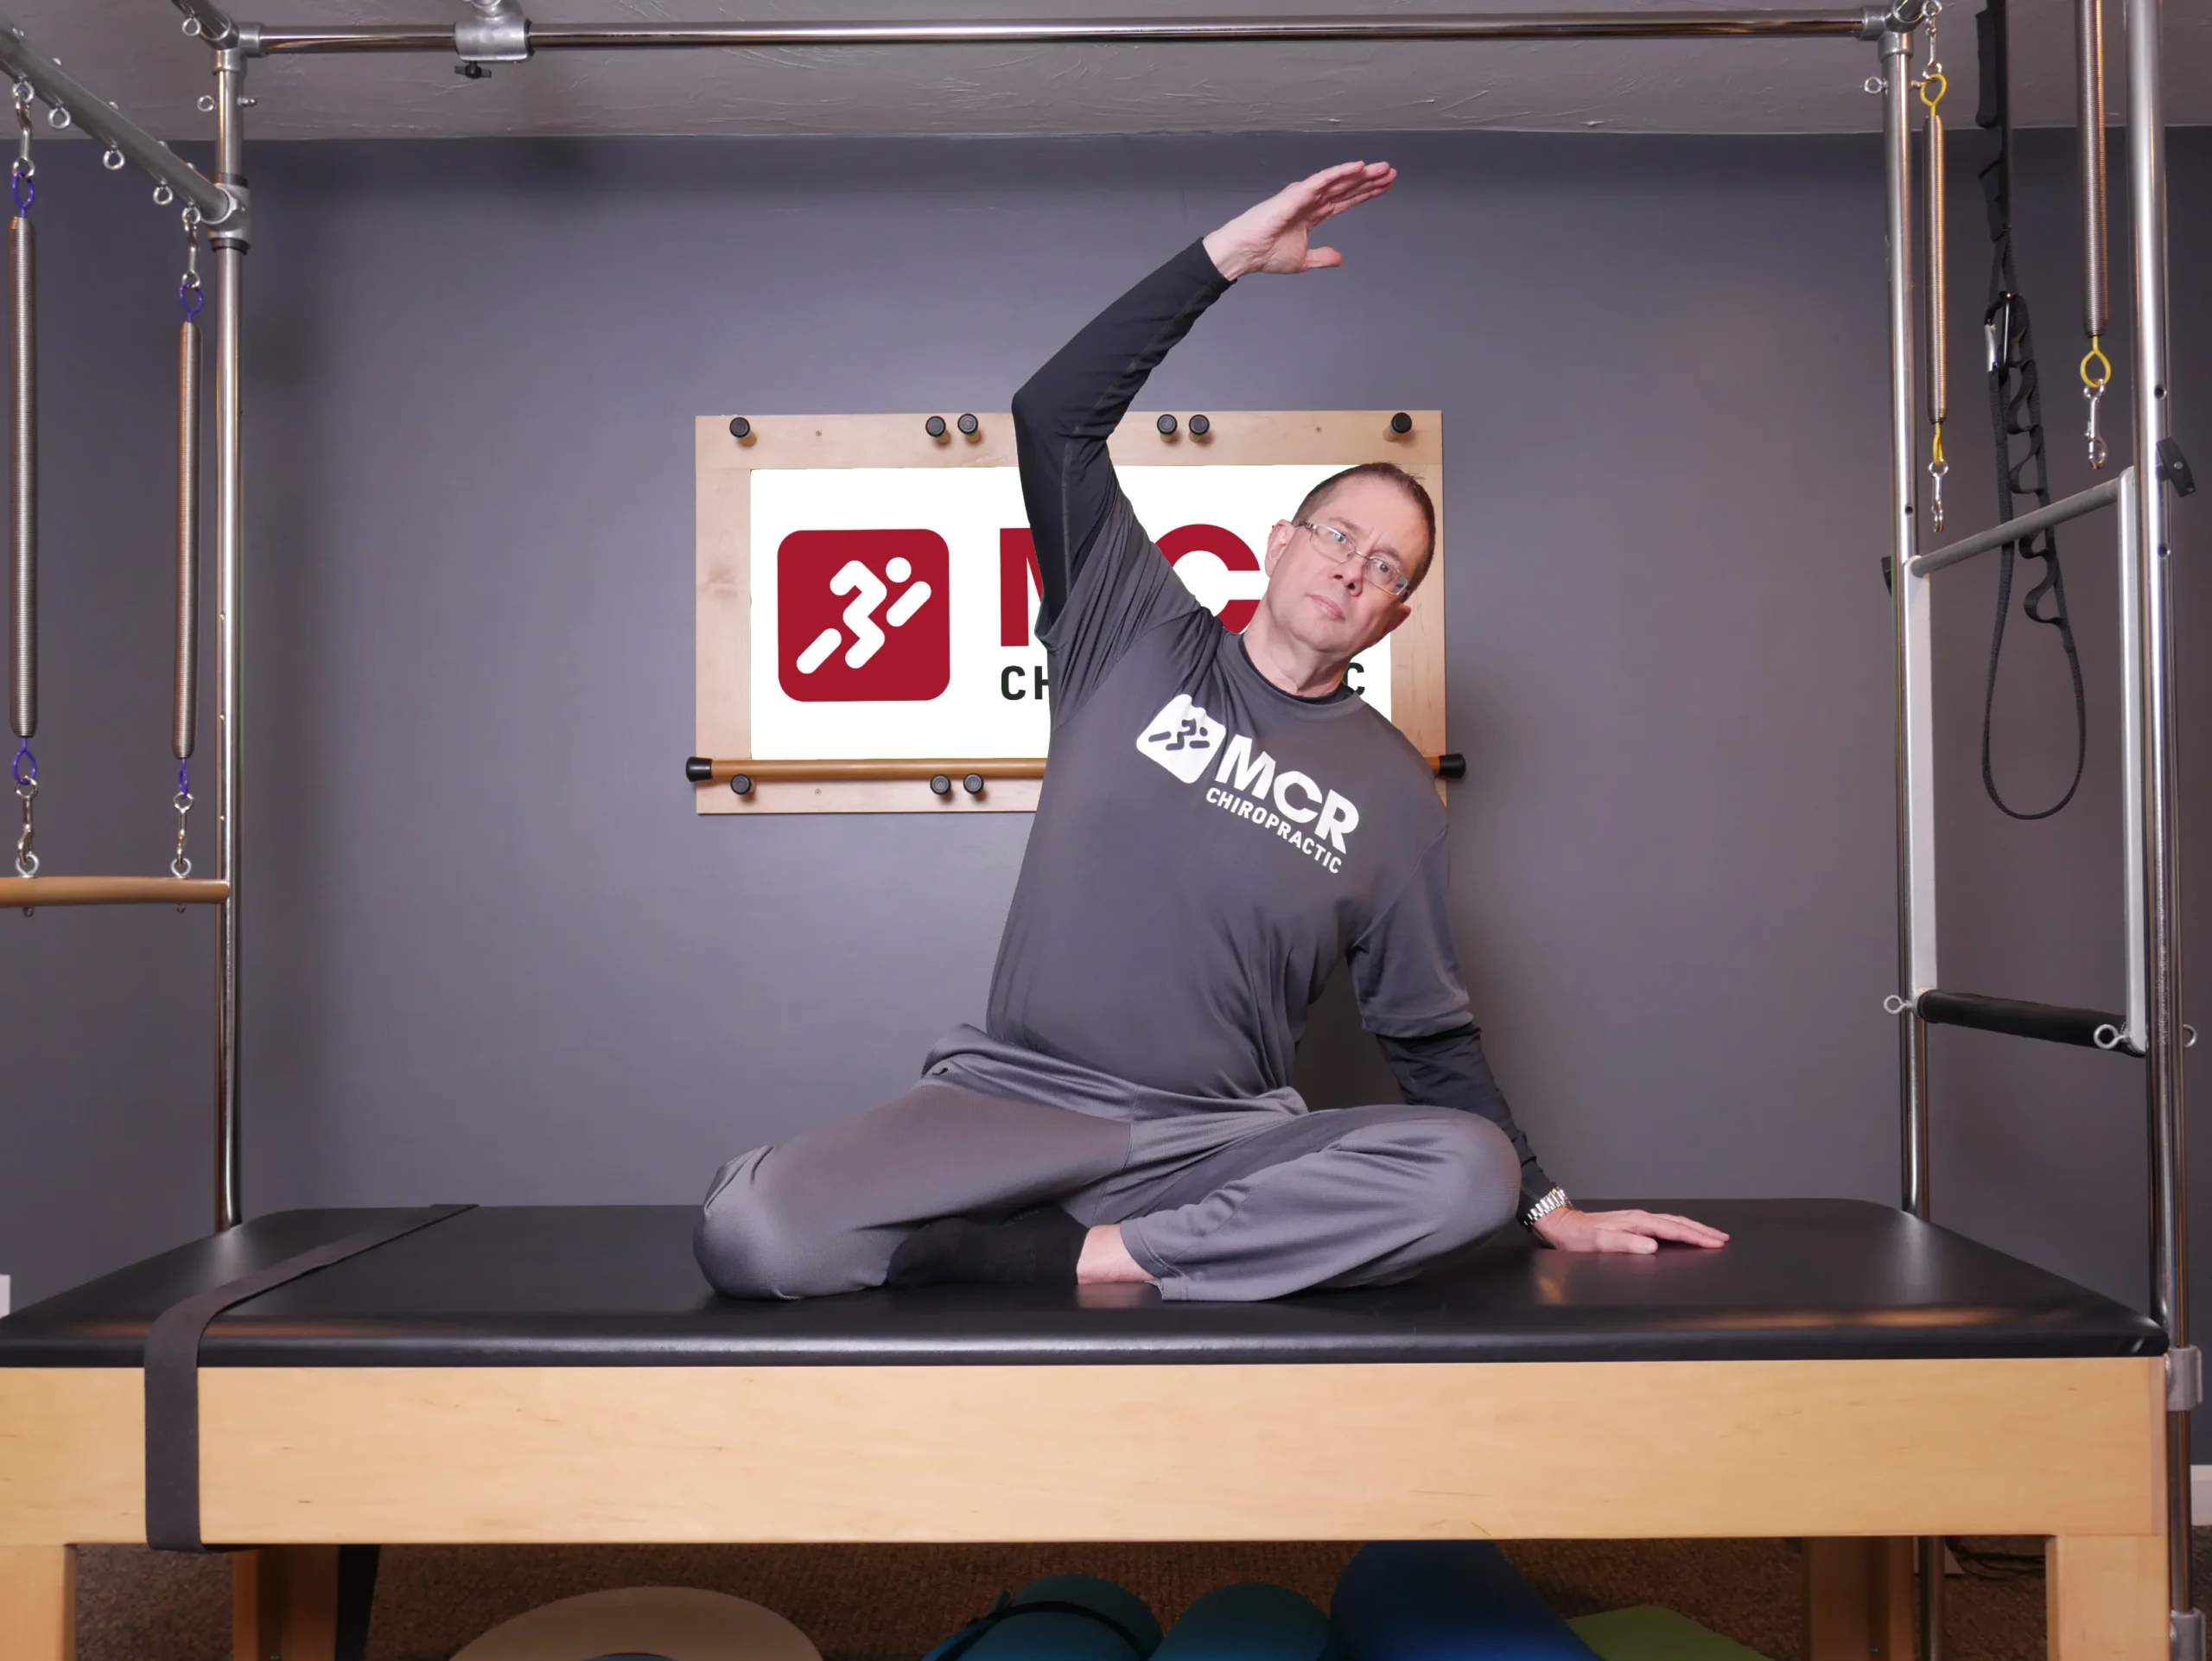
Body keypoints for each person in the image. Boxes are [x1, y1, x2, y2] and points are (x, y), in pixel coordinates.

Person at [695, 162, 1727, 1301]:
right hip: (1015, 1104)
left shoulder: (1395, 792)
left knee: (1466, 1171)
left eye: (1389, 568)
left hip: (1214, 1140)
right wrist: (1226, 259)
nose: (1356, 569)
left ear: (1394, 617)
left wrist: (1546, 1205)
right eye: (1340, 536)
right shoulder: (1133, 632)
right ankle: (1079, 1235)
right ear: (1280, 542)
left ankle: (1084, 1256)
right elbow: (1053, 417)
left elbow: (1426, 1035)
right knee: (752, 1231)